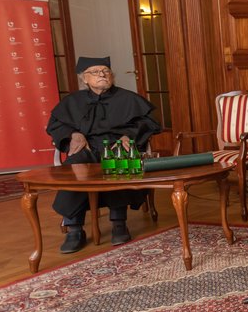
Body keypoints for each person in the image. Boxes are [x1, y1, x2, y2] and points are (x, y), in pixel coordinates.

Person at [46, 56, 162, 253]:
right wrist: (73, 134)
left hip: (116, 145)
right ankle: (74, 229)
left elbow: (149, 122)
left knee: (117, 162)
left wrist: (129, 135)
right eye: (96, 72)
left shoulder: (127, 98)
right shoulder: (72, 101)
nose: (102, 75)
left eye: (106, 71)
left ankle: (119, 224)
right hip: (87, 148)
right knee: (75, 167)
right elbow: (56, 125)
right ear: (84, 78)